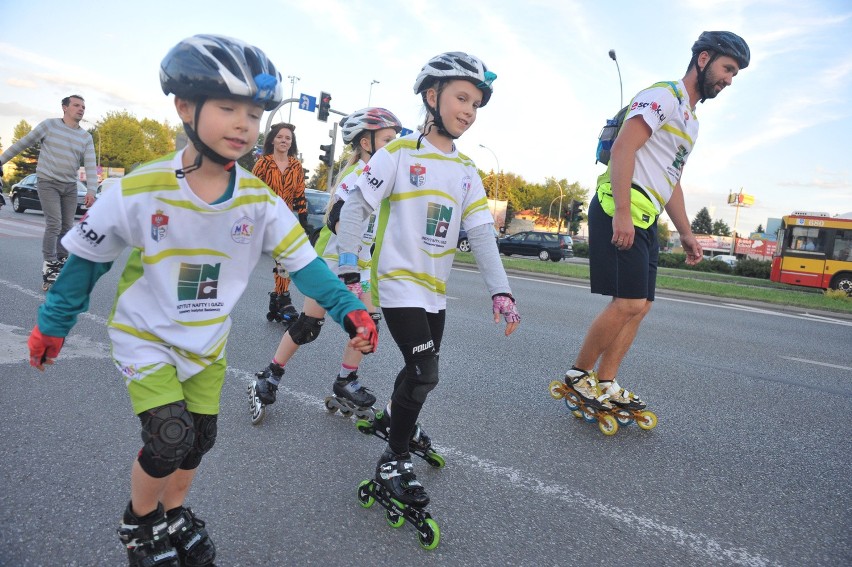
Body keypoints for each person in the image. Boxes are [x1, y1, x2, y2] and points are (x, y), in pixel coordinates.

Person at [25, 34, 378, 567]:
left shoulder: (260, 200)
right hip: (147, 338)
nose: (244, 124)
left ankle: (173, 514)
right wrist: (51, 325)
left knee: (199, 441)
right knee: (168, 438)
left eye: (254, 114)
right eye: (229, 108)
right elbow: (85, 266)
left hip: (207, 344)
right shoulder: (141, 188)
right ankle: (140, 525)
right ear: (185, 107)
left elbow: (308, 268)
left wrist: (349, 309)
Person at [336, 52, 521, 507]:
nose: (468, 112)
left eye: (476, 104)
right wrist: (348, 270)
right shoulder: (398, 152)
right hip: (397, 282)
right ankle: (393, 460)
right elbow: (355, 208)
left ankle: (394, 421)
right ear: (432, 97)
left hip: (434, 292)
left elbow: (480, 233)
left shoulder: (467, 171)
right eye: (462, 98)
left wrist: (501, 291)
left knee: (417, 373)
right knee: (425, 371)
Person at [564, 31, 750, 412]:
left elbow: (671, 180)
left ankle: (606, 381)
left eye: (735, 74)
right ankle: (578, 376)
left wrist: (686, 233)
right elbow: (623, 148)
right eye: (727, 68)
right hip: (622, 205)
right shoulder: (663, 95)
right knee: (627, 302)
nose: (729, 80)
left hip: (646, 213)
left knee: (641, 305)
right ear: (703, 59)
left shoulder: (691, 121)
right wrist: (622, 213)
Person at [249, 107, 402, 424]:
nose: (394, 147)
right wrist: (348, 267)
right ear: (365, 142)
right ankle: (271, 375)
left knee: (369, 323)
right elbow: (337, 217)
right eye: (389, 140)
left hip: (362, 265)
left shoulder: (386, 177)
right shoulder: (357, 174)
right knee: (308, 326)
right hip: (332, 261)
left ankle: (346, 380)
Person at [0, 95, 97, 289]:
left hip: (70, 186)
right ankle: (50, 263)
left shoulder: (85, 137)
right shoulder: (49, 126)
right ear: (65, 108)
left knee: (67, 226)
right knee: (55, 223)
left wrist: (92, 191)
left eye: (83, 107)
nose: (81, 109)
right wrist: (1, 160)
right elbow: (22, 144)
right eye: (76, 105)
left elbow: (91, 165)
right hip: (47, 182)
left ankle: (61, 261)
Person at [252, 122, 308, 326]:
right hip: (266, 218)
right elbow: (253, 192)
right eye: (280, 137)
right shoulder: (264, 163)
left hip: (286, 220)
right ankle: (282, 299)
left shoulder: (296, 166)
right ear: (273, 140)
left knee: (284, 260)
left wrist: (304, 220)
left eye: (288, 138)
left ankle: (279, 299)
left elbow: (300, 194)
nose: (284, 141)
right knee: (283, 259)